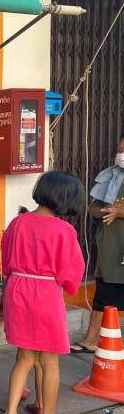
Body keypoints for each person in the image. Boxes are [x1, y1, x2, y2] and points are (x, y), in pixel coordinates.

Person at [0, 171, 85, 414]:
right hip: (45, 294)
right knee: (49, 362)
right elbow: (71, 274)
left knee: (23, 359)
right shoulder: (64, 230)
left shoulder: (18, 222)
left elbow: (6, 261)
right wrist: (67, 285)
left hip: (17, 289)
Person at [70, 134, 124, 353]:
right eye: (119, 150)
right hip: (110, 247)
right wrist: (107, 210)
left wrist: (120, 213)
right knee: (103, 295)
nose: (120, 155)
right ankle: (90, 340)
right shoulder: (111, 177)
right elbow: (94, 208)